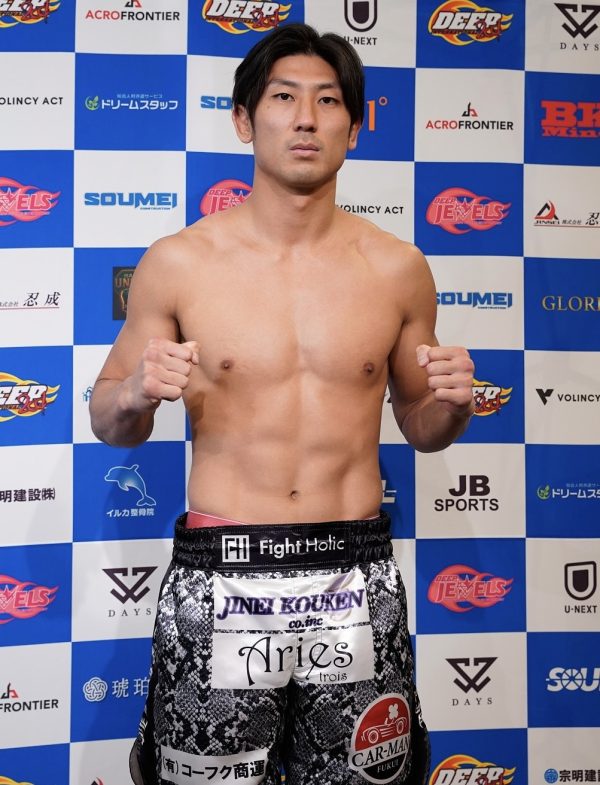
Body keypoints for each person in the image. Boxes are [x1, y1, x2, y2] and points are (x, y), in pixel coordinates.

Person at [90, 22, 474, 785]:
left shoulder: (398, 268)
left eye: (328, 101)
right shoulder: (179, 263)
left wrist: (453, 406)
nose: (306, 118)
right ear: (244, 119)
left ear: (354, 128)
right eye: (284, 97)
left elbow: (421, 426)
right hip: (223, 573)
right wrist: (134, 392)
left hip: (353, 576)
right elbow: (107, 417)